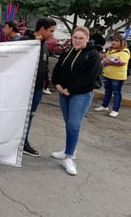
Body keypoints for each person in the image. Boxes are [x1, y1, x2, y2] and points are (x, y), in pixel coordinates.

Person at [51, 27, 100, 175]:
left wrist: (70, 89)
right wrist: (57, 83)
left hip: (80, 95)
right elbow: (58, 69)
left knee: (74, 125)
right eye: (75, 38)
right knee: (69, 123)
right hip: (63, 93)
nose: (77, 41)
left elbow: (90, 78)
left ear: (87, 38)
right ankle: (69, 149)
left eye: (81, 38)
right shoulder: (67, 51)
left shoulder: (92, 55)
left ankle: (69, 157)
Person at [20, 17, 57, 156]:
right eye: (51, 31)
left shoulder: (45, 44)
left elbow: (45, 65)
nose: (53, 34)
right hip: (23, 89)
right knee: (19, 116)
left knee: (30, 116)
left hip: (37, 89)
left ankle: (23, 143)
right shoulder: (26, 41)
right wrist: (32, 45)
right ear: (42, 29)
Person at [94, 34, 130, 117]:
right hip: (107, 74)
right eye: (113, 40)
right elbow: (105, 57)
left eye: (116, 41)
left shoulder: (124, 51)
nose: (114, 42)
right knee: (107, 91)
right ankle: (104, 106)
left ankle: (115, 109)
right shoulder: (111, 50)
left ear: (122, 42)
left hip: (117, 76)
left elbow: (122, 62)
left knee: (116, 92)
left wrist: (108, 61)